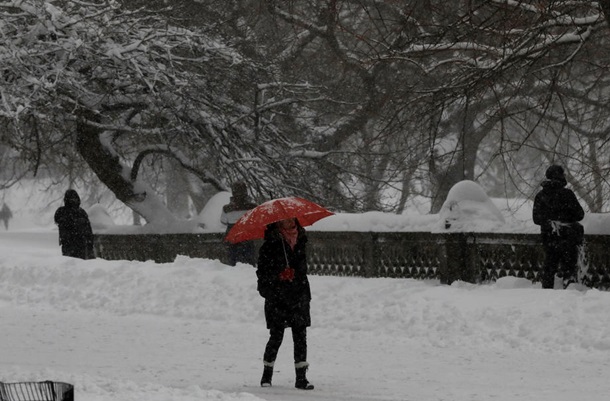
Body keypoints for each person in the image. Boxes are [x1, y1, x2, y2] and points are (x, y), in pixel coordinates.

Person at [256, 218, 314, 390]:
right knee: (276, 337)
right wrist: (279, 276)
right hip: (278, 298)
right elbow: (262, 275)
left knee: (300, 336)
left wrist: (295, 273)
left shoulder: (301, 239)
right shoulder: (269, 245)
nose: (289, 223)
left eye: (291, 219)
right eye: (284, 221)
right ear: (277, 223)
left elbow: (302, 269)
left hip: (298, 295)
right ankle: (267, 375)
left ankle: (301, 378)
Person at [533, 165, 585, 289]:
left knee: (550, 265)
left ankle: (547, 290)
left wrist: (550, 222)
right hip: (568, 237)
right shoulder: (567, 194)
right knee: (569, 265)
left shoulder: (540, 195)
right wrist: (565, 219)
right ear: (560, 176)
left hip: (549, 237)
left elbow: (536, 219)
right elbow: (580, 214)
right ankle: (569, 290)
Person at [220, 182, 257, 266]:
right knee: (249, 260)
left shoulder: (226, 208)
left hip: (232, 236)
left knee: (233, 260)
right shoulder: (252, 207)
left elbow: (223, 221)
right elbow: (256, 220)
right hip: (247, 236)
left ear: (233, 192)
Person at [54, 189, 95, 259]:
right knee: (71, 264)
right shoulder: (62, 211)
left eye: (75, 198)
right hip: (69, 244)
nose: (73, 200)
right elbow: (61, 222)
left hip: (82, 245)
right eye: (71, 198)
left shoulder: (81, 212)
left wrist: (90, 244)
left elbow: (88, 230)